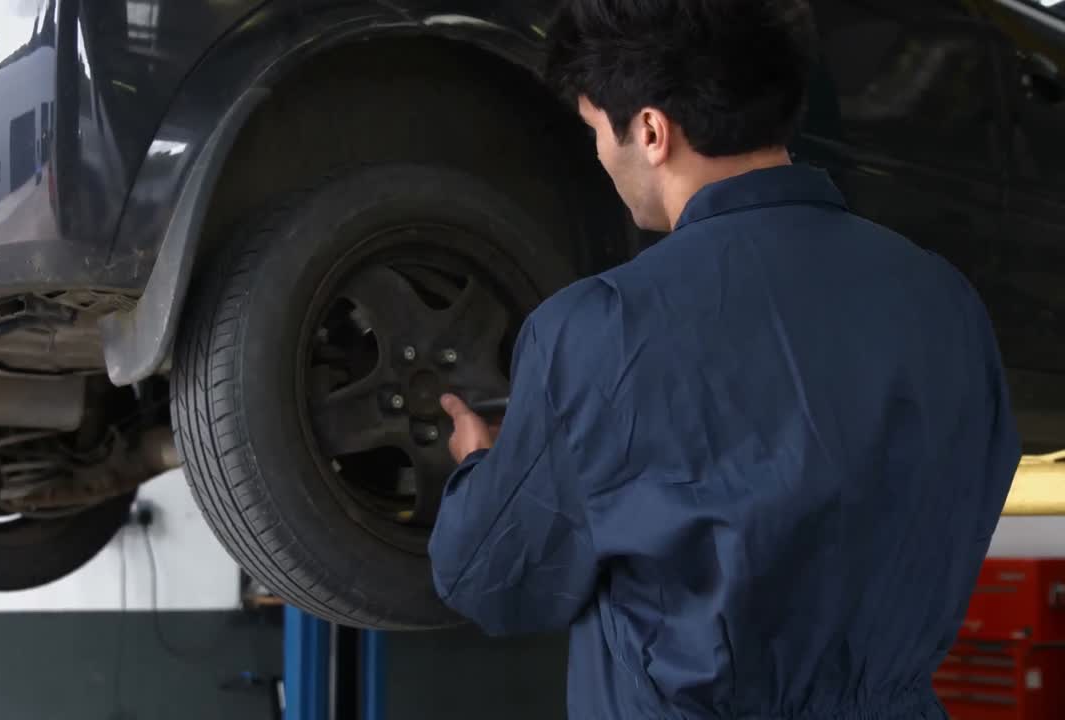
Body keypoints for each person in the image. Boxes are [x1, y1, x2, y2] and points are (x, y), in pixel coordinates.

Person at [427, 1, 1022, 718]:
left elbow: (496, 579)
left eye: (593, 130)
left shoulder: (600, 330)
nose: (598, 154)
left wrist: (481, 468)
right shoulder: (944, 302)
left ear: (650, 130)